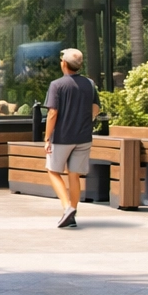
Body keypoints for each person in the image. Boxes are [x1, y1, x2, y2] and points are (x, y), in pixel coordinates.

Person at [44, 48, 100, 228]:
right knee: (74, 175)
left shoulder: (57, 85)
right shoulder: (90, 84)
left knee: (53, 171)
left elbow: (53, 113)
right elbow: (95, 109)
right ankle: (72, 215)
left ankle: (67, 207)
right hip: (83, 137)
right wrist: (85, 121)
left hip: (62, 137)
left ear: (64, 64)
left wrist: (47, 138)